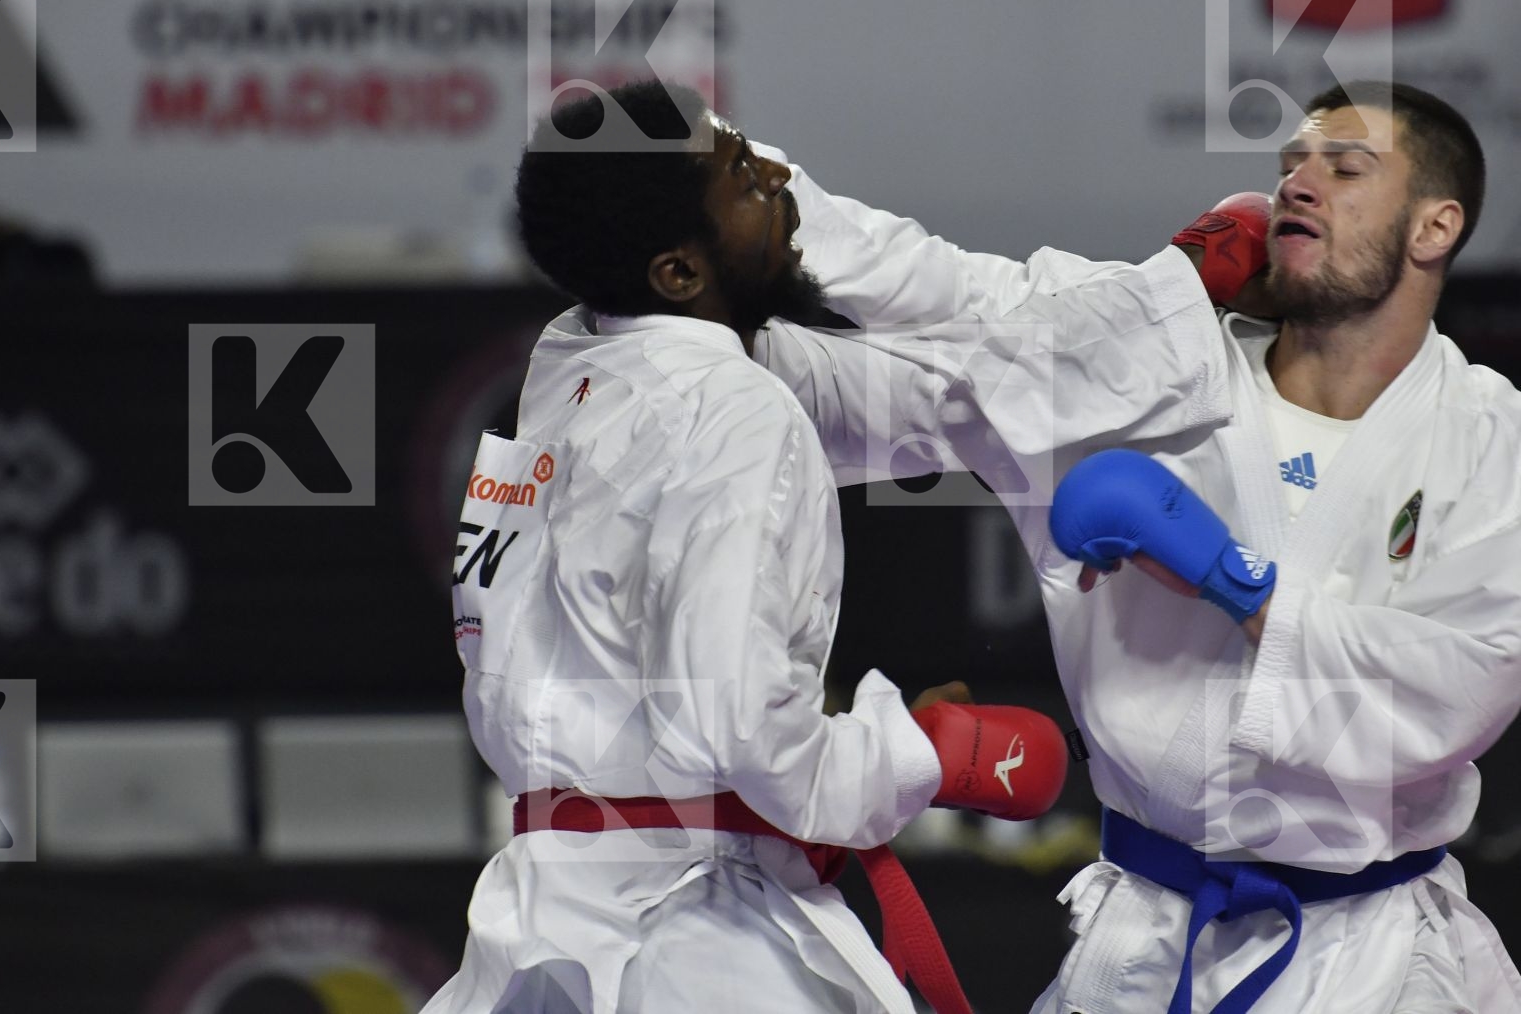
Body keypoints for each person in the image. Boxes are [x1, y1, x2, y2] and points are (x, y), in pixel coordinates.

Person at [424, 78, 1220, 1014]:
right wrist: (922, 755)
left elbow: (936, 394)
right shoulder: (730, 409)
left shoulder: (571, 377)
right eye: (740, 176)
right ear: (677, 272)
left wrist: (1166, 296)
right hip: (689, 940)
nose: (777, 178)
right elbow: (745, 728)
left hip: (542, 916)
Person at [759, 81, 1521, 1012]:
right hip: (1150, 941)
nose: (1298, 182)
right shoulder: (1141, 373)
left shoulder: (1490, 438)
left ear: (1435, 227)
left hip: (1380, 960)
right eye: (1291, 164)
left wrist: (1236, 585)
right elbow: (916, 333)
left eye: (1346, 168)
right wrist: (692, 297)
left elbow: (1471, 675)